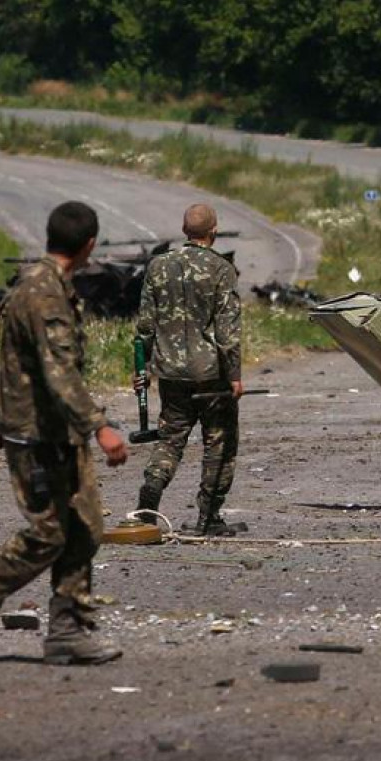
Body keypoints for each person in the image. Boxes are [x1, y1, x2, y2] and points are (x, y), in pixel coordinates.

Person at [0, 201, 129, 665]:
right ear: (89, 245)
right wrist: (100, 426)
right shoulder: (44, 293)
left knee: (84, 528)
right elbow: (58, 370)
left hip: (57, 430)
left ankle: (68, 629)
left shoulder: (48, 283)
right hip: (36, 435)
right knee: (49, 534)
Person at [133, 203, 244, 536]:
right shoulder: (221, 269)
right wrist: (235, 375)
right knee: (219, 443)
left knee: (170, 439)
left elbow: (145, 325)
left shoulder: (158, 266)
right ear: (214, 230)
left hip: (170, 372)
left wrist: (141, 367)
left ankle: (150, 495)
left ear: (184, 231)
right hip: (211, 374)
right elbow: (228, 332)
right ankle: (208, 517)